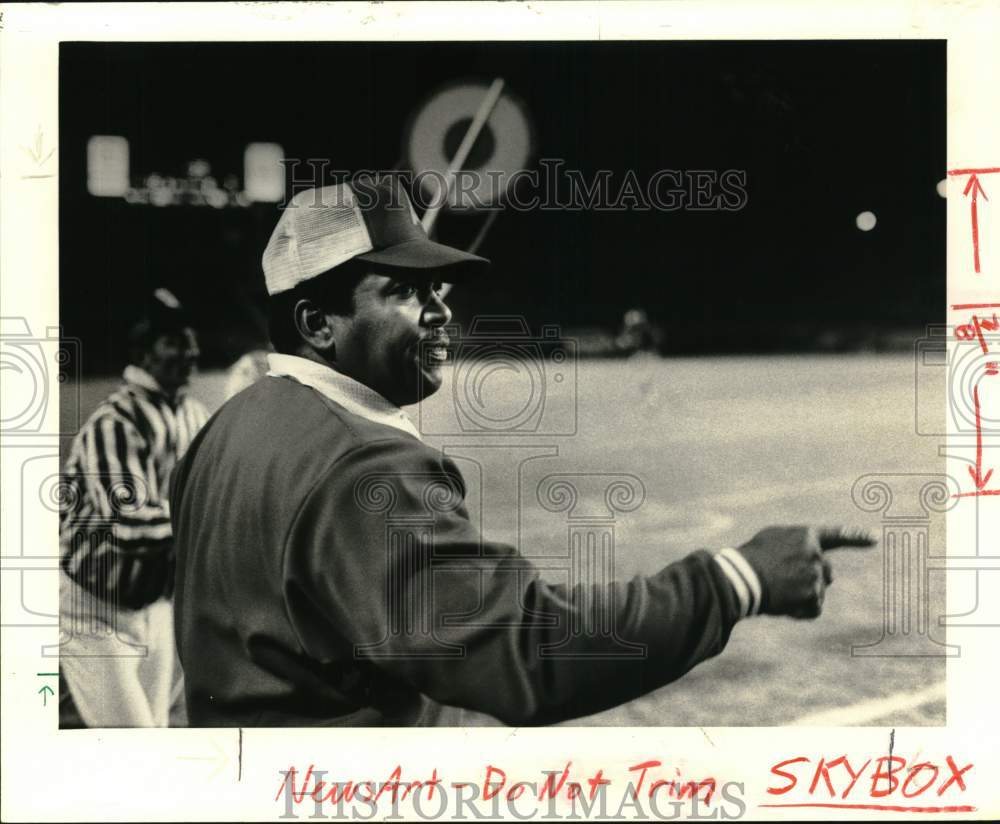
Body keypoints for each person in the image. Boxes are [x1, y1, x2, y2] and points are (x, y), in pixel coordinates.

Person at [169, 177, 874, 727]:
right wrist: (734, 580)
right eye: (405, 291)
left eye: (436, 289)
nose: (441, 311)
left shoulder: (225, 427)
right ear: (317, 322)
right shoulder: (363, 465)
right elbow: (532, 651)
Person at [59, 288, 208, 727]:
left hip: (155, 602)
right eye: (176, 342)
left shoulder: (194, 415)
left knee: (156, 734)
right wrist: (217, 528)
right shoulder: (116, 421)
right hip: (94, 608)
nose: (191, 352)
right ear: (144, 351)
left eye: (192, 341)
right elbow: (131, 524)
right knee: (132, 743)